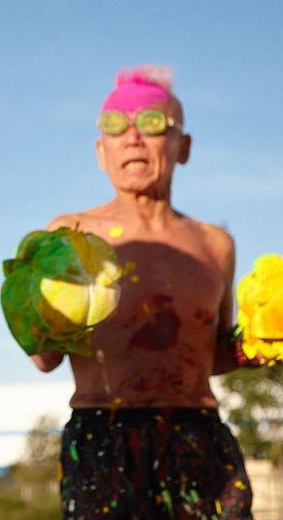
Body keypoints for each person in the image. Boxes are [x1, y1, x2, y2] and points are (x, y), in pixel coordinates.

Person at [30, 67, 255, 520]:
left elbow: (216, 356)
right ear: (101, 151)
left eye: (152, 123)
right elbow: (45, 358)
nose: (132, 137)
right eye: (115, 126)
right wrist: (31, 313)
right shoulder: (68, 234)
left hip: (198, 436)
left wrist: (272, 343)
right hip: (102, 439)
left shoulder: (214, 244)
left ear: (183, 147)